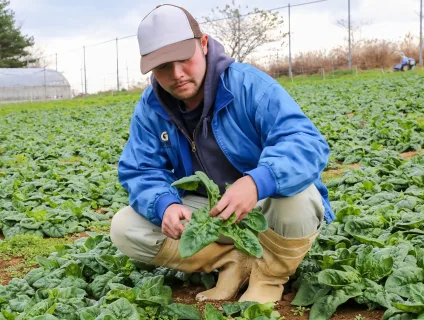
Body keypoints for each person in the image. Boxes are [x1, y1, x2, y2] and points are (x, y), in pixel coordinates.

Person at [110, 4, 335, 304]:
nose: (177, 75)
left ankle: (268, 277)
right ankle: (233, 262)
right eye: (163, 66)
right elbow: (141, 170)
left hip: (264, 210)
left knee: (299, 199)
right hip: (210, 213)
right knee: (125, 227)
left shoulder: (249, 85)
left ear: (203, 44)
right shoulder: (150, 108)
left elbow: (306, 143)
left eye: (184, 59)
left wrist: (257, 182)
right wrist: (164, 205)